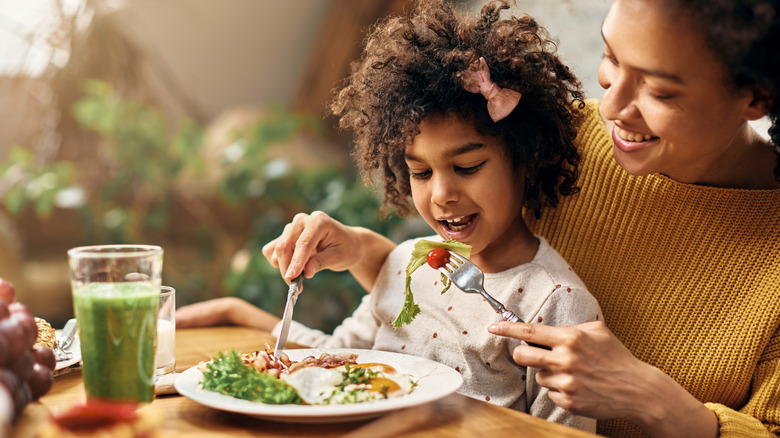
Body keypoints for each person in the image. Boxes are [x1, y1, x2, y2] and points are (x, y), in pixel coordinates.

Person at [259, 0, 780, 437]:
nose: (612, 105)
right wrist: (367, 251)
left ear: (756, 95)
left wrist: (652, 397)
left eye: (660, 90)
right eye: (611, 58)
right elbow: (454, 304)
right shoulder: (549, 138)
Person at [179, 0, 603, 431]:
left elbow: (562, 434)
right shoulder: (408, 264)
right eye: (420, 172)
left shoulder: (555, 305)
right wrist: (243, 316)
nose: (441, 194)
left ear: (526, 158)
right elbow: (336, 360)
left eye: (468, 167)